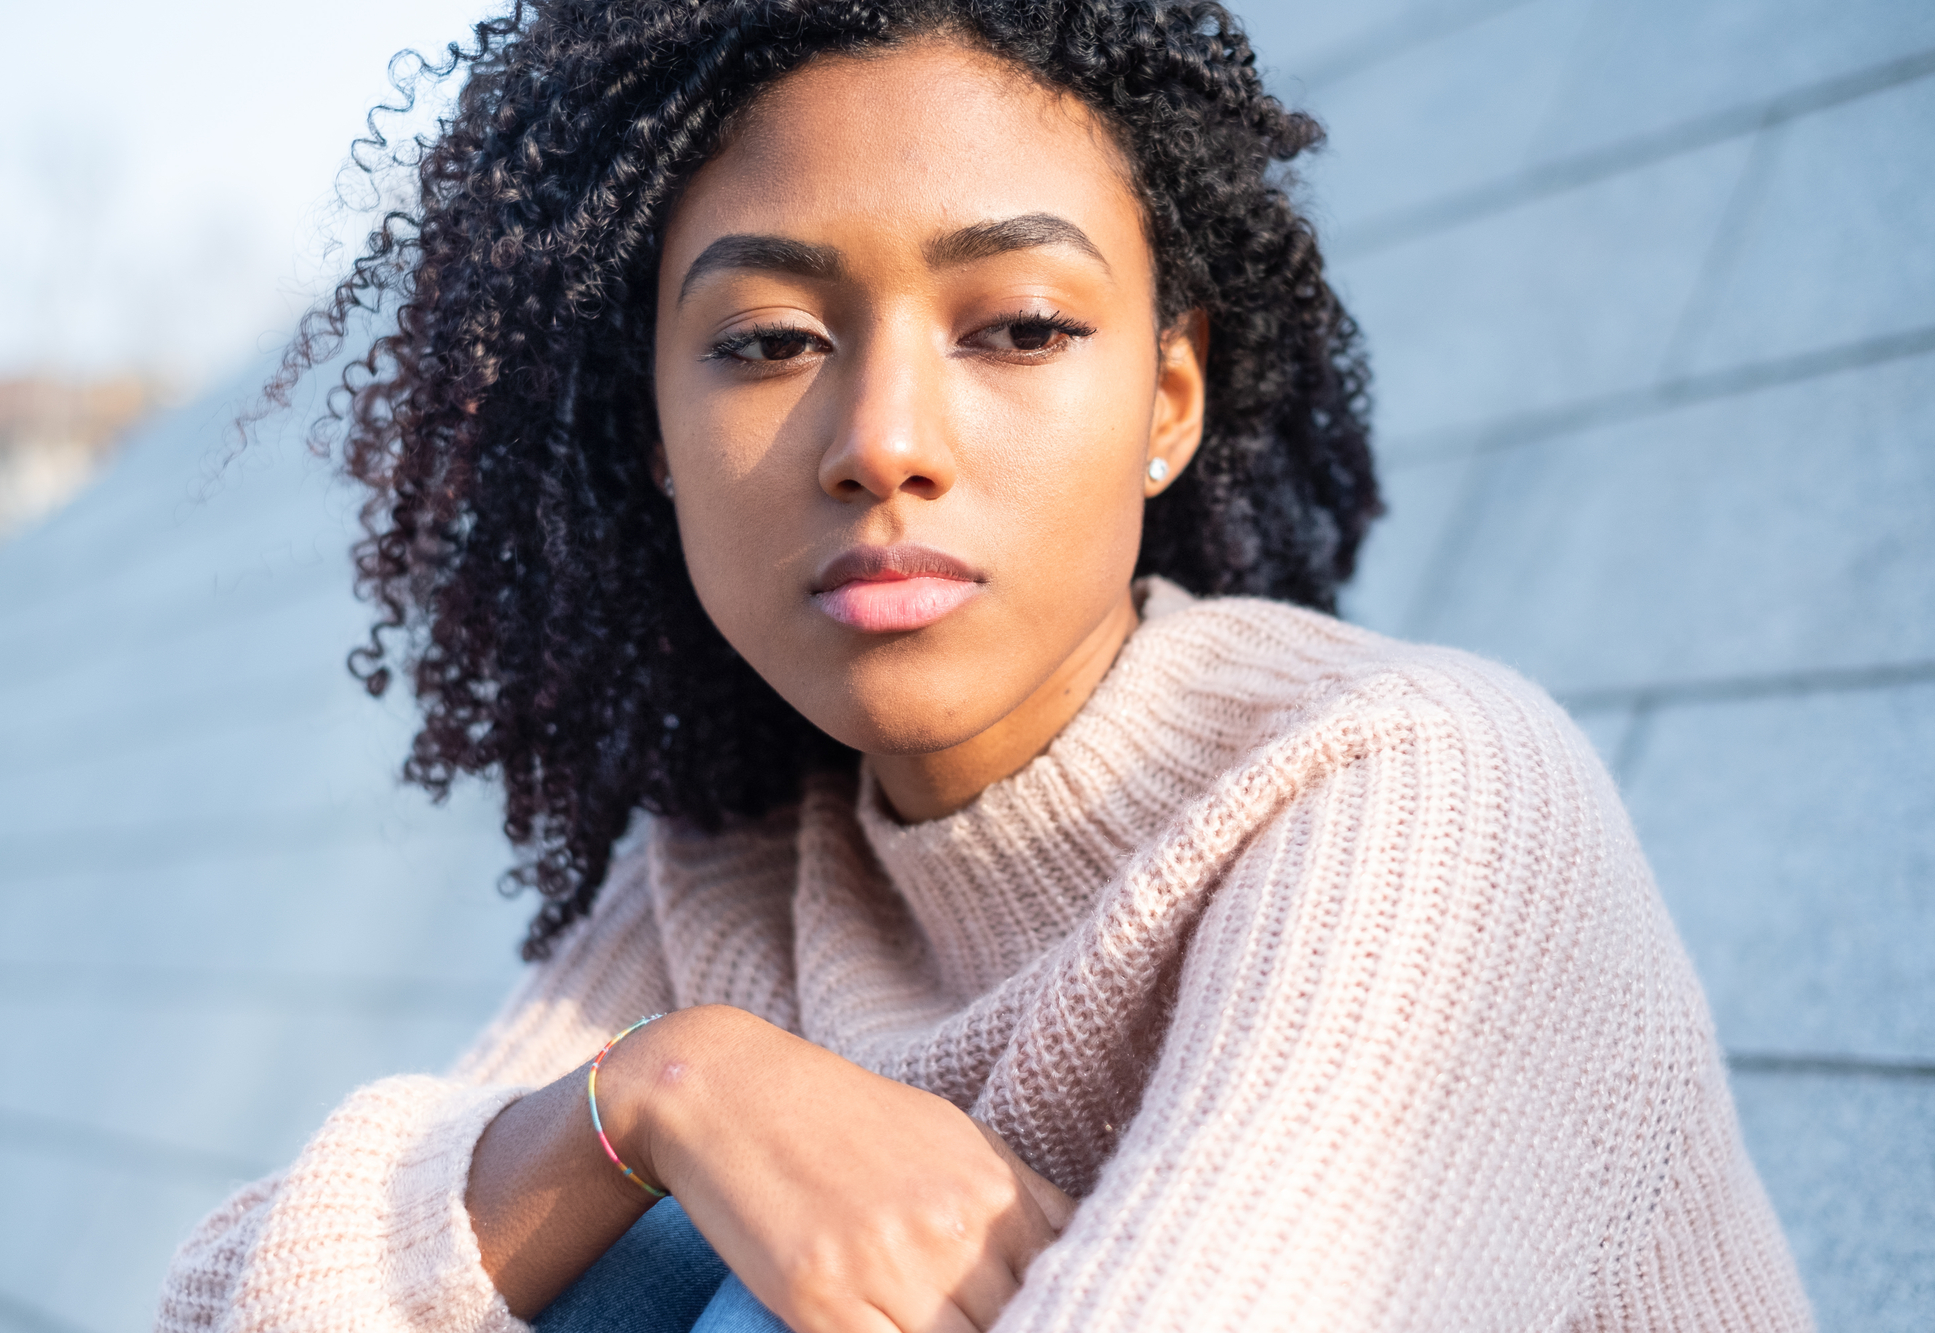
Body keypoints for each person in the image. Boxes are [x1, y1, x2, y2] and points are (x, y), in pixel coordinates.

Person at [158, 0, 1813, 1329]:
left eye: (1016, 326)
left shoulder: (1413, 797)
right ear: (652, 432)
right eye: (765, 342)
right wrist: (670, 1083)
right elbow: (228, 1303)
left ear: (1170, 402)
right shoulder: (722, 889)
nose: (884, 442)